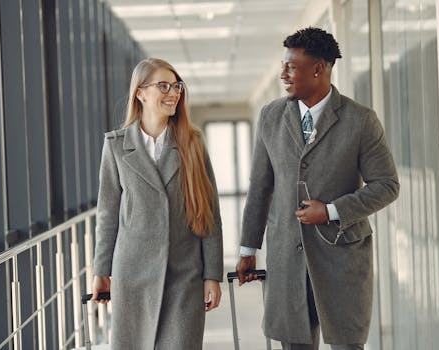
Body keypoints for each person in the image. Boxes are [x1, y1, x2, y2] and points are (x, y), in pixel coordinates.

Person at [236, 27, 400, 350]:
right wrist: (247, 249)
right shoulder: (270, 117)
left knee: (346, 344)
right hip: (287, 259)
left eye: (291, 67)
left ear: (318, 69)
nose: (283, 73)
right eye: (283, 65)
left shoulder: (361, 120)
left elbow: (387, 185)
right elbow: (260, 187)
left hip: (342, 260)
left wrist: (331, 211)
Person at [91, 58, 223, 349]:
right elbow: (108, 213)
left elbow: (209, 212)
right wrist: (101, 270)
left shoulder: (192, 142)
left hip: (184, 275)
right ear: (140, 93)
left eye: (176, 86)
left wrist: (212, 274)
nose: (173, 92)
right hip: (132, 277)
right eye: (164, 85)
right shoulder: (115, 146)